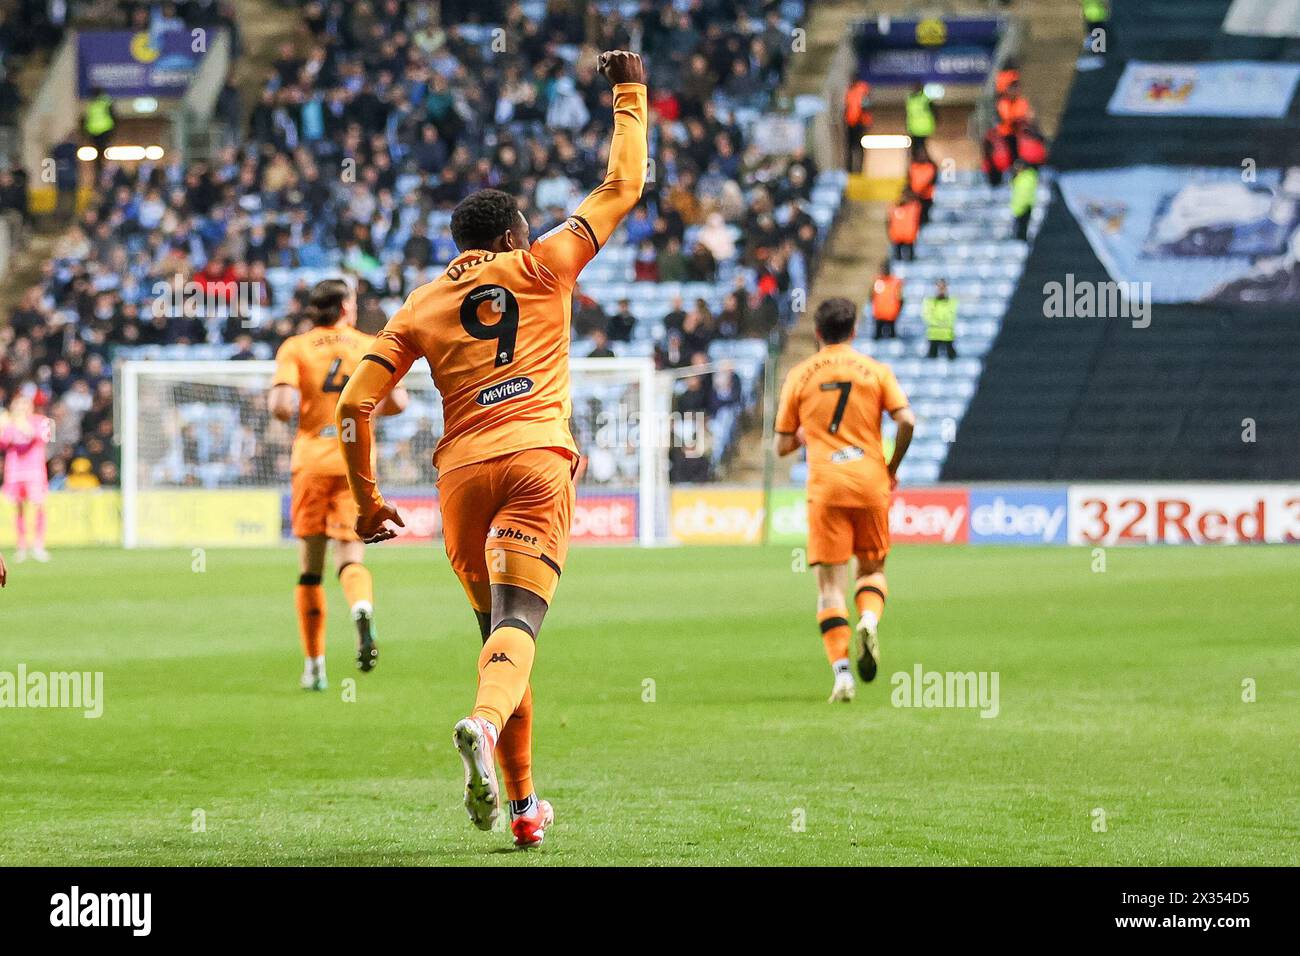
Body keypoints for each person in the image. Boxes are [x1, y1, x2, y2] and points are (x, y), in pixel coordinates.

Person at [333, 50, 648, 849]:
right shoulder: (543, 263)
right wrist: (628, 92)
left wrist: (369, 501)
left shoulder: (420, 304)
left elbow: (353, 405)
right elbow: (622, 188)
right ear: (512, 233)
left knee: (497, 638)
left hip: (461, 477)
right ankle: (479, 724)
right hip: (537, 458)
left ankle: (522, 808)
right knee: (521, 627)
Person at [267, 279, 409, 692]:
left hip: (311, 461)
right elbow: (398, 402)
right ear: (346, 307)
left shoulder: (295, 347)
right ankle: (361, 607)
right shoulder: (368, 343)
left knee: (310, 570)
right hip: (355, 463)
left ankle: (314, 666)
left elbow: (280, 406)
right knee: (351, 558)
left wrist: (304, 415)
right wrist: (359, 415)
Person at [774, 297, 915, 702]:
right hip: (871, 483)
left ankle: (842, 676)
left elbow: (783, 444)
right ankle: (868, 618)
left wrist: (809, 434)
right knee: (871, 571)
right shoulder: (875, 371)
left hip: (827, 486)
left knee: (829, 587)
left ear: (818, 332)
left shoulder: (800, 375)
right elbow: (907, 419)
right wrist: (890, 466)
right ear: (854, 330)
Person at [0, 392, 53, 563]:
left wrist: (21, 424)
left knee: (38, 505)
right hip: (15, 471)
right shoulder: (9, 423)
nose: (20, 408)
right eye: (17, 405)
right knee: (19, 508)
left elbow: (42, 438)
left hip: (35, 470)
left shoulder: (40, 421)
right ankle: (21, 545)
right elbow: (2, 443)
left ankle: (38, 544)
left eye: (24, 405)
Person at [82, 87, 116, 182]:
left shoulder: (96, 104)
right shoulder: (103, 103)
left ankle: (103, 173)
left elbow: (88, 120)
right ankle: (100, 174)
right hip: (100, 132)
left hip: (101, 132)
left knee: (101, 155)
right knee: (100, 156)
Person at [843, 79, 873, 173]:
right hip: (850, 123)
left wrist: (863, 120)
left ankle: (860, 169)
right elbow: (847, 107)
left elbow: (866, 106)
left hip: (860, 123)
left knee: (859, 147)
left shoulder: (863, 90)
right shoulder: (850, 91)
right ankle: (850, 169)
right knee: (850, 147)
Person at [923, 279, 958, 359]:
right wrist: (940, 323)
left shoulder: (952, 301)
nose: (941, 290)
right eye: (939, 288)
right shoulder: (930, 302)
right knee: (931, 359)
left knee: (952, 358)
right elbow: (927, 316)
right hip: (933, 336)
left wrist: (939, 323)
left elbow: (952, 316)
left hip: (948, 336)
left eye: (943, 288)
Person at [887, 188, 922, 261]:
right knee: (897, 257)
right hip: (897, 236)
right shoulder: (894, 207)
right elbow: (888, 222)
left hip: (908, 236)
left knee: (909, 257)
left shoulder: (915, 206)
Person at [871, 260, 903, 339]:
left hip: (891, 314)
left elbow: (900, 298)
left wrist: (898, 310)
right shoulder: (877, 281)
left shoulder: (896, 282)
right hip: (878, 314)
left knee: (892, 337)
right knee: (877, 337)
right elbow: (871, 296)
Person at [908, 142, 938, 225]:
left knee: (925, 216)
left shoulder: (931, 166)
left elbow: (932, 180)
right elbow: (909, 180)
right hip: (915, 196)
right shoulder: (913, 166)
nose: (921, 156)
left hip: (927, 197)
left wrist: (922, 188)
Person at [1010, 160, 1039, 241]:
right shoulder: (1020, 177)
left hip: (1025, 205)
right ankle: (1020, 239)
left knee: (1023, 225)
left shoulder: (1027, 176)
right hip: (1018, 206)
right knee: (1019, 225)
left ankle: (1022, 239)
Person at [905, 83, 935, 149]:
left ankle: (920, 157)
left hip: (921, 127)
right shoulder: (912, 99)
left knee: (919, 145)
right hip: (917, 127)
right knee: (920, 146)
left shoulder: (915, 99)